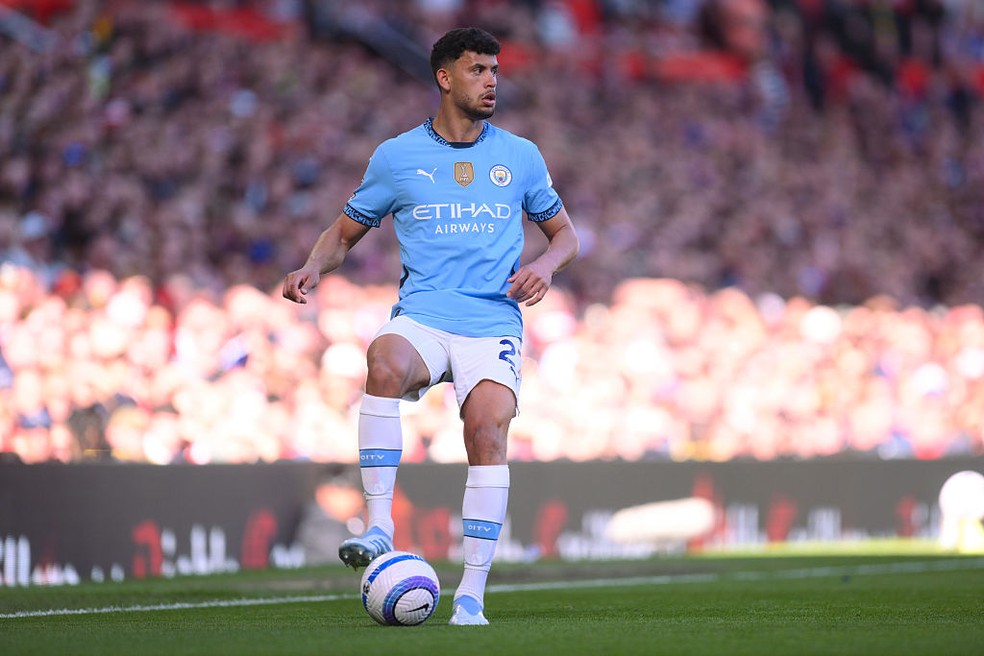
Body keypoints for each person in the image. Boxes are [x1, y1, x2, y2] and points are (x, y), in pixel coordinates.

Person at [282, 27, 579, 626]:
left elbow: (565, 236)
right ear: (445, 78)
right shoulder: (396, 156)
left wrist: (544, 267)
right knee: (383, 360)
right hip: (423, 314)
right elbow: (343, 234)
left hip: (491, 320)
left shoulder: (520, 155)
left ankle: (470, 594)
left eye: (495, 70)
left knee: (487, 429)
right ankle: (380, 526)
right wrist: (313, 265)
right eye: (478, 70)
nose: (492, 80)